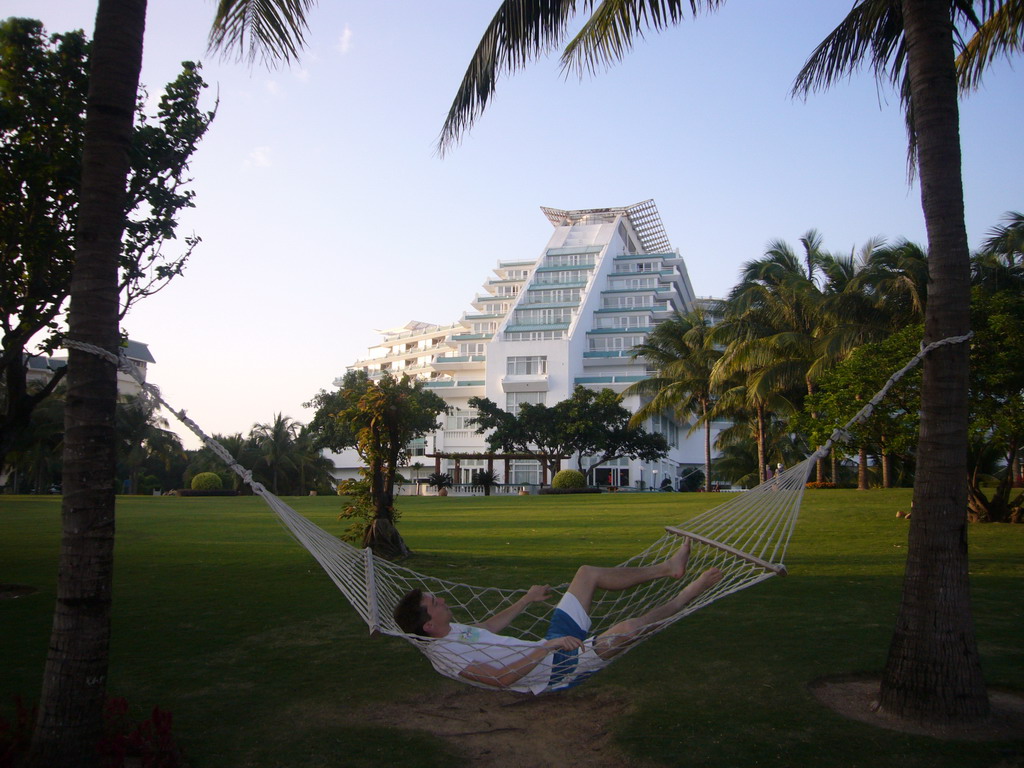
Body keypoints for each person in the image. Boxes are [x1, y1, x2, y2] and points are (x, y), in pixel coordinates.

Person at [393, 539, 723, 693]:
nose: (443, 600)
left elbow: (486, 629)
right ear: (428, 625)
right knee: (630, 628)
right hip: (553, 672)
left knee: (586, 574)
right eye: (435, 602)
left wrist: (527, 598)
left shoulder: (449, 633)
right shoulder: (446, 657)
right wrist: (547, 648)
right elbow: (500, 679)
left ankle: (668, 569)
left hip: (549, 649)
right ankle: (687, 595)